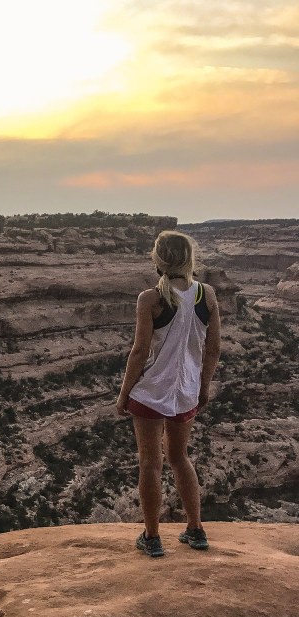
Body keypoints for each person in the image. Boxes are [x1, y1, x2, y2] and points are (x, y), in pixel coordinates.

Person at [115, 230, 221, 558]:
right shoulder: (207, 294)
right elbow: (214, 348)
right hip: (187, 391)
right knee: (179, 458)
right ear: (189, 258)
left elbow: (139, 351)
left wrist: (123, 395)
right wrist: (203, 387)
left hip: (150, 392)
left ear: (158, 260)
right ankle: (196, 529)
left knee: (150, 463)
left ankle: (152, 537)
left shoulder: (150, 298)